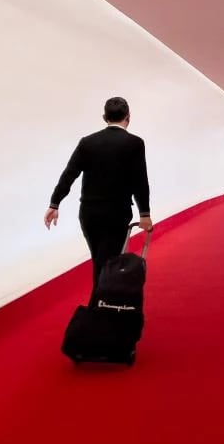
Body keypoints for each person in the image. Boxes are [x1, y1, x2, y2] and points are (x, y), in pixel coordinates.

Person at [45, 97, 154, 298]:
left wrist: (55, 202)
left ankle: (100, 305)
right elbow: (140, 180)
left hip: (89, 213)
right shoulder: (134, 143)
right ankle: (99, 308)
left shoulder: (88, 142)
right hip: (116, 213)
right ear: (128, 117)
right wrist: (145, 214)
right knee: (107, 263)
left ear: (105, 117)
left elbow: (69, 174)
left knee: (100, 260)